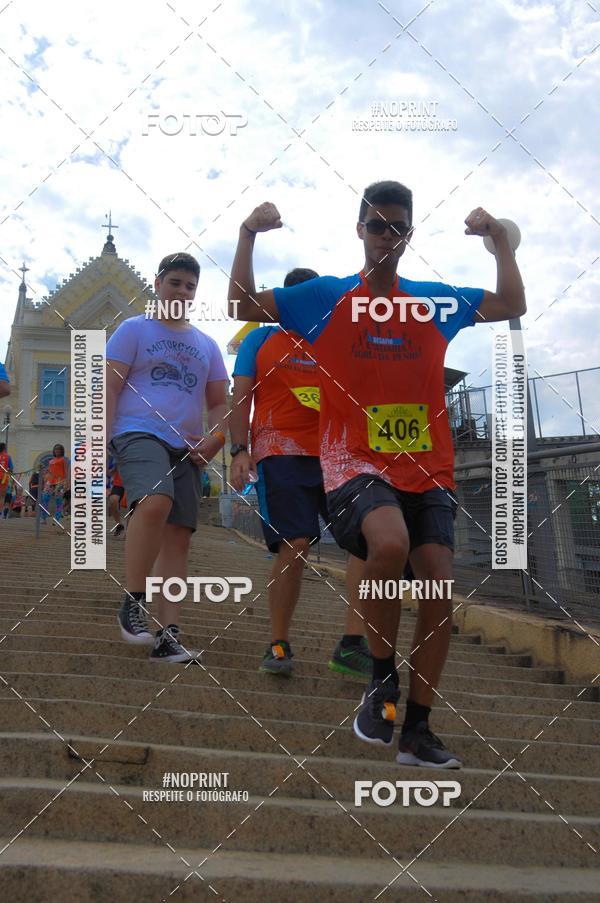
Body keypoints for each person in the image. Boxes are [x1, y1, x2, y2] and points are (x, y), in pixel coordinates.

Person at [228, 186, 526, 768]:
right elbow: (240, 305)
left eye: (398, 228)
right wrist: (247, 234)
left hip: (428, 465)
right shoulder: (326, 297)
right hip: (353, 459)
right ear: (360, 230)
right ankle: (382, 678)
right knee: (388, 544)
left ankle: (417, 729)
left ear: (409, 235)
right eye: (377, 225)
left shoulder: (431, 302)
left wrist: (499, 244)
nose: (387, 236)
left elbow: (512, 301)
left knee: (437, 587)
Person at [230, 265, 372, 679]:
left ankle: (352, 644)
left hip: (336, 455)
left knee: (365, 541)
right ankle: (278, 642)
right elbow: (241, 396)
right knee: (295, 544)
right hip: (280, 453)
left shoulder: (337, 341)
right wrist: (239, 450)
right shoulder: (260, 339)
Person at [106, 252, 229, 663]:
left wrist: (216, 438)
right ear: (158, 284)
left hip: (186, 446)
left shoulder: (207, 344)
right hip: (138, 431)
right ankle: (133, 601)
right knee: (155, 501)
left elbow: (219, 402)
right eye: (175, 282)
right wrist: (100, 439)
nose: (182, 291)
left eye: (190, 286)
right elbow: (108, 386)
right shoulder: (133, 329)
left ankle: (168, 635)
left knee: (178, 537)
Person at [40, 444, 69, 530]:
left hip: (60, 482)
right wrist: (45, 475)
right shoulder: (51, 461)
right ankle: (43, 518)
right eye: (56, 449)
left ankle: (57, 519)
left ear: (61, 451)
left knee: (58, 501)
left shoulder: (64, 459)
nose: (57, 451)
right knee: (45, 498)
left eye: (59, 449)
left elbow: (66, 471)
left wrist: (66, 482)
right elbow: (49, 471)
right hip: (50, 482)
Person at [107, 456, 125, 538]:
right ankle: (119, 525)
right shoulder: (115, 455)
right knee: (113, 500)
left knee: (131, 506)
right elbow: (110, 471)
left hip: (132, 482)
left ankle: (129, 530)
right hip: (118, 482)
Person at [0, 442, 13, 518]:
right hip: (3, 478)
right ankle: (0, 513)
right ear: (4, 448)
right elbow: (11, 468)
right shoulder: (8, 457)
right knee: (2, 497)